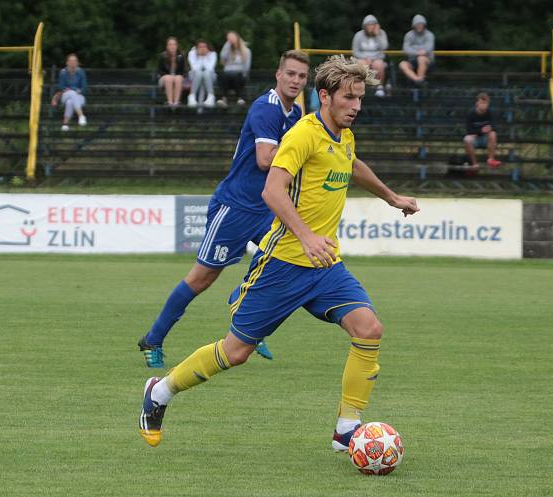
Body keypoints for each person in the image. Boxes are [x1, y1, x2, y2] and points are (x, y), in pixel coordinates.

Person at [139, 55, 419, 449]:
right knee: (236, 352)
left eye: (360, 99)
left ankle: (346, 428)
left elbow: (352, 166)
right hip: (283, 263)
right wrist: (305, 236)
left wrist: (392, 197)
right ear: (325, 96)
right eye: (349, 98)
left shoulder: (344, 134)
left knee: (369, 329)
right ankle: (159, 392)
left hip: (325, 267)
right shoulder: (304, 133)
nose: (356, 106)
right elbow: (271, 190)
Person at [137, 50, 312, 369]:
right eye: (291, 74)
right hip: (235, 207)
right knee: (202, 277)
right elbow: (264, 159)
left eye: (302, 76)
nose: (296, 80)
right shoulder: (267, 108)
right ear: (278, 74)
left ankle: (240, 301)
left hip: (265, 208)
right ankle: (154, 338)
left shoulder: (294, 113)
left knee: (285, 260)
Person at [463, 92, 502, 172]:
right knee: (467, 139)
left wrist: (488, 130)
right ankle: (474, 163)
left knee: (493, 134)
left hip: (486, 139)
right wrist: (481, 131)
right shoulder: (470, 113)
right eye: (481, 103)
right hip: (475, 139)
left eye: (485, 103)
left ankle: (491, 160)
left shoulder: (491, 112)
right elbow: (468, 130)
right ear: (477, 103)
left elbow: (494, 127)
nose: (483, 105)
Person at [352, 15, 388, 97]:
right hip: (362, 58)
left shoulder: (381, 33)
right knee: (361, 64)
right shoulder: (358, 35)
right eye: (369, 25)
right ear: (365, 26)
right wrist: (366, 58)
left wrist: (377, 35)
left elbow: (384, 48)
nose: (371, 27)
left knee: (379, 65)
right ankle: (360, 88)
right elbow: (355, 51)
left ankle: (380, 88)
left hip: (377, 58)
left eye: (373, 25)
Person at [51, 54, 88, 131]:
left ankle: (65, 124)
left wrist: (73, 90)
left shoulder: (81, 72)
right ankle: (81, 116)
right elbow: (61, 87)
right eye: (70, 61)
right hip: (65, 95)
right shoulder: (63, 72)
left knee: (70, 102)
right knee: (71, 93)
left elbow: (84, 88)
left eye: (74, 61)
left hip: (79, 97)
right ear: (67, 63)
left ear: (77, 63)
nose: (73, 62)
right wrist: (75, 89)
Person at [217, 31, 252, 107]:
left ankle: (240, 98)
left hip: (240, 76)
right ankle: (224, 99)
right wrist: (227, 44)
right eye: (228, 38)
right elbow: (222, 57)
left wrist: (244, 75)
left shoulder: (246, 51)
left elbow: (247, 66)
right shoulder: (227, 49)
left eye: (232, 37)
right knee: (224, 75)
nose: (231, 39)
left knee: (235, 75)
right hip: (227, 77)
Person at [399, 14, 435, 86]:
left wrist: (413, 48)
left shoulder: (429, 35)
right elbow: (406, 49)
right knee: (402, 64)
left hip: (428, 62)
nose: (419, 25)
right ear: (413, 25)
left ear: (424, 24)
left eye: (421, 24)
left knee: (421, 58)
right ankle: (418, 80)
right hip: (412, 62)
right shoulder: (408, 35)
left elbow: (428, 48)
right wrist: (419, 51)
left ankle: (418, 84)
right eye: (417, 24)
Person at [157, 37, 186, 106]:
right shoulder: (162, 56)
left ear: (177, 46)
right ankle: (170, 102)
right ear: (167, 46)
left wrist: (176, 76)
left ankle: (176, 102)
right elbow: (160, 71)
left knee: (178, 78)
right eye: (170, 44)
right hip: (164, 79)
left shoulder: (181, 56)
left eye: (174, 44)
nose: (172, 46)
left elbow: (184, 71)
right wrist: (170, 76)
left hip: (178, 79)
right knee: (168, 78)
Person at [187, 40, 217, 107]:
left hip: (210, 76)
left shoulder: (213, 54)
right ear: (196, 48)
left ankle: (209, 96)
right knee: (199, 73)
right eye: (200, 47)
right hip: (194, 76)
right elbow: (194, 68)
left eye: (204, 47)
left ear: (207, 47)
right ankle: (193, 96)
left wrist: (204, 57)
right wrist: (200, 57)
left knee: (206, 73)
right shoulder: (192, 53)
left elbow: (210, 68)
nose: (202, 49)